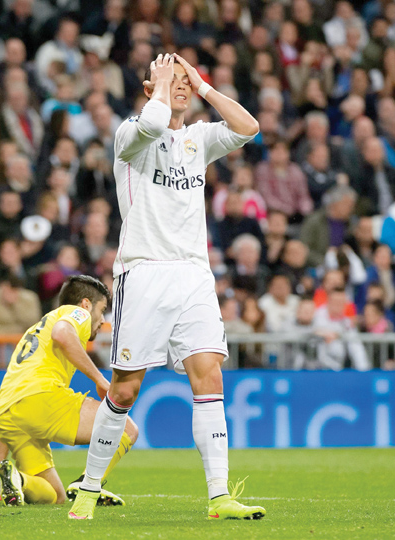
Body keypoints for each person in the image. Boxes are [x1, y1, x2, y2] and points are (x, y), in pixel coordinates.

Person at [69, 53, 265, 521]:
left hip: (194, 274)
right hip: (145, 271)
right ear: (147, 86)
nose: (179, 85)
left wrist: (204, 87)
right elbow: (154, 121)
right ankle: (90, 487)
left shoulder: (198, 138)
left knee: (210, 376)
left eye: (183, 79)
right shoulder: (129, 136)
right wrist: (160, 86)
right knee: (125, 390)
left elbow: (249, 126)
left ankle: (219, 495)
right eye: (169, 78)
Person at [0, 275, 136, 507]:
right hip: (41, 397)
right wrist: (99, 379)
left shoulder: (36, 328)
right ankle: (88, 484)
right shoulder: (78, 314)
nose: (102, 320)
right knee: (127, 428)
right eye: (102, 310)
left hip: (11, 413)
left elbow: (12, 400)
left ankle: (19, 479)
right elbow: (63, 334)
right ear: (86, 304)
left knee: (55, 497)